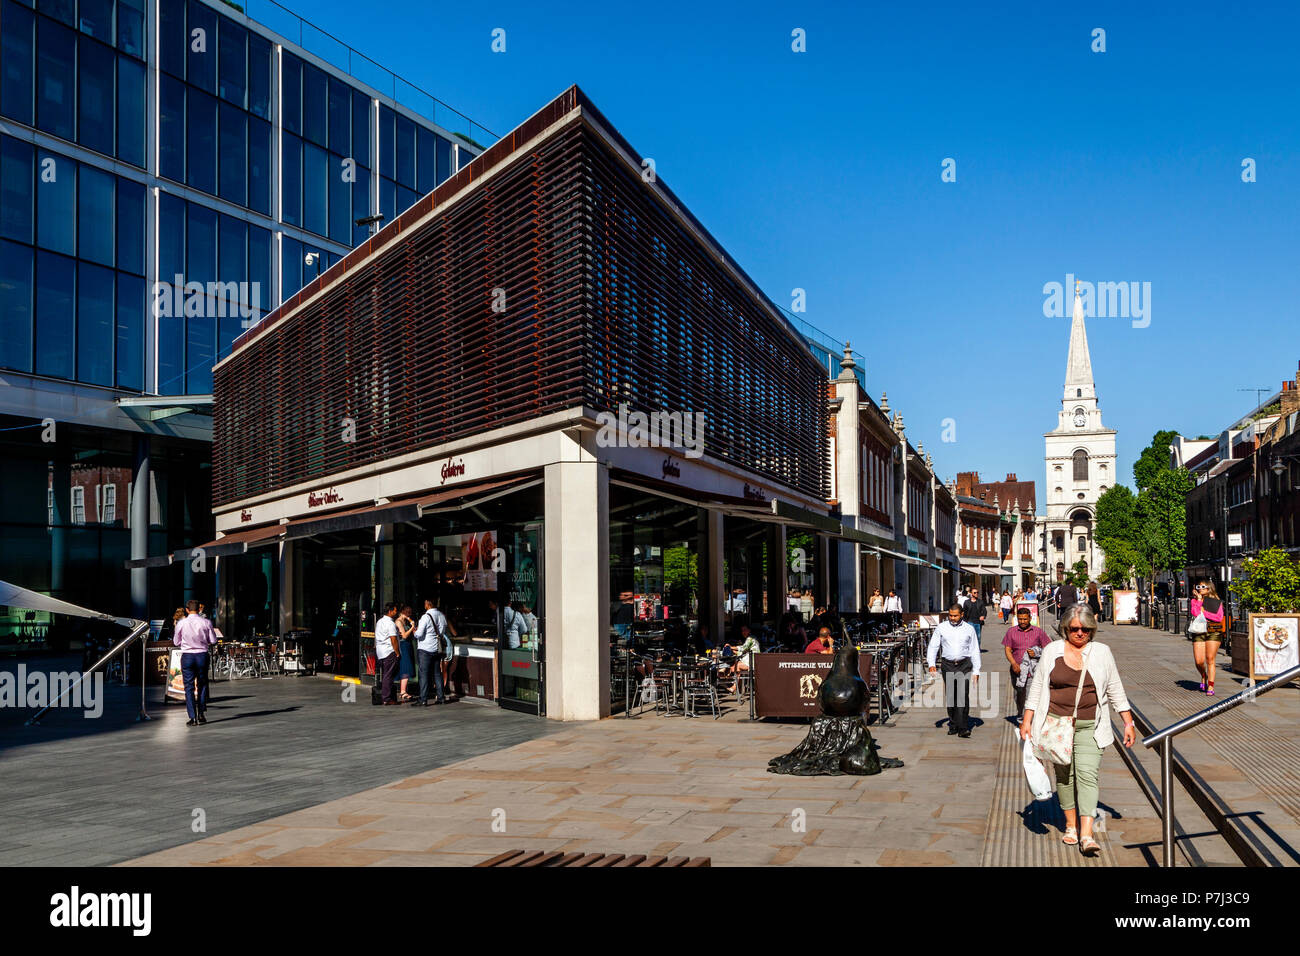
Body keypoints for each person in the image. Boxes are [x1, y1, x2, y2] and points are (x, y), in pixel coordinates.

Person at [1022, 604, 1135, 855]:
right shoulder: (1052, 651)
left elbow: (1115, 688)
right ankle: (1070, 825)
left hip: (1090, 726)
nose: (1080, 633)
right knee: (1064, 777)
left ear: (1092, 630)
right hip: (1056, 726)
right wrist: (1027, 720)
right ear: (1065, 629)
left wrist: (1128, 722)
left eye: (1085, 629)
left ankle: (1086, 833)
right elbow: (1038, 687)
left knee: (1087, 775)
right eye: (1075, 629)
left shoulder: (1103, 653)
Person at [927, 603, 981, 737]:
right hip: (948, 665)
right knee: (951, 695)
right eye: (950, 615)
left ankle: (963, 727)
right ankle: (953, 723)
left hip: (964, 665)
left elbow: (974, 650)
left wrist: (976, 670)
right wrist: (931, 663)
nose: (952, 618)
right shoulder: (942, 627)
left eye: (955, 616)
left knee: (962, 695)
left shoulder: (969, 629)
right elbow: (933, 646)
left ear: (962, 614)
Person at [1002, 606, 1051, 720]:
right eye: (1020, 619)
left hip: (1033, 671)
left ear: (1030, 618)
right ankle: (1020, 712)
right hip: (1017, 670)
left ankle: (1028, 719)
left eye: (1025, 619)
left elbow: (1048, 648)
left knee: (1030, 695)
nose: (1022, 622)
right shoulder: (1011, 631)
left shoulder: (1038, 632)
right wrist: (1014, 664)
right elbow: (1008, 649)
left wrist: (1037, 653)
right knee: (1019, 694)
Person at [172, 600, 217, 726]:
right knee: (202, 684)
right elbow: (213, 640)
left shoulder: (182, 623)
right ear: (199, 609)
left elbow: (176, 642)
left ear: (187, 609)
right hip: (202, 655)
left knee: (189, 687)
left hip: (187, 656)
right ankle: (201, 713)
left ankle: (192, 717)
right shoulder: (206, 622)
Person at [413, 598, 455, 706]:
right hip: (437, 648)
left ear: (428, 604)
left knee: (424, 674)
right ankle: (441, 698)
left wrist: (415, 631)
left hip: (425, 649)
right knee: (437, 673)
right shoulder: (441, 616)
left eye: (425, 603)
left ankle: (423, 699)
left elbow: (419, 634)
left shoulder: (425, 617)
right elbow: (441, 632)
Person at [1190, 580, 1226, 696]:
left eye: (1203, 586)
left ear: (1209, 588)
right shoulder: (1194, 600)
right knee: (1199, 661)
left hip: (1213, 631)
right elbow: (1195, 613)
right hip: (1199, 631)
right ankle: (1203, 675)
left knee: (1210, 659)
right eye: (1198, 586)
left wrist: (1204, 613)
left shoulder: (1216, 601)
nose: (1200, 588)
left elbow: (1219, 617)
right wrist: (1199, 600)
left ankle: (1210, 685)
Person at [374, 603, 401, 705]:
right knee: (388, 675)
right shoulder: (390, 624)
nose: (396, 612)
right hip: (389, 651)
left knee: (386, 674)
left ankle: (387, 696)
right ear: (390, 611)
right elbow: (393, 639)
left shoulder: (380, 621)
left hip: (381, 651)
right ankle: (386, 698)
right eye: (395, 610)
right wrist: (397, 653)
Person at [396, 604, 416, 702]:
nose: (409, 615)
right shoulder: (399, 622)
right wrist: (412, 627)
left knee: (406, 666)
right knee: (406, 667)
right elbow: (404, 636)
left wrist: (412, 625)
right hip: (403, 646)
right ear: (403, 612)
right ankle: (403, 691)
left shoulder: (406, 621)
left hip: (408, 646)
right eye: (408, 613)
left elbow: (414, 634)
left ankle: (403, 690)